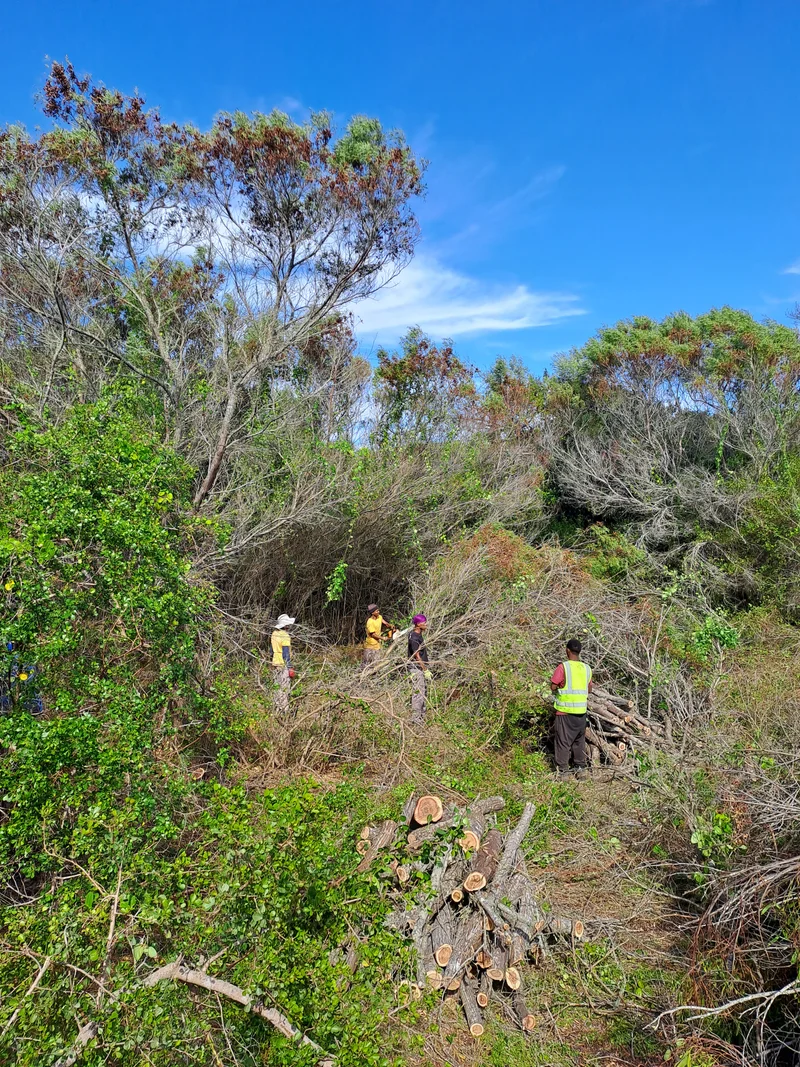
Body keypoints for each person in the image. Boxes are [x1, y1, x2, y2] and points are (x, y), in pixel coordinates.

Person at [550, 638, 593, 780]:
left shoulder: (563, 667)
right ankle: (580, 769)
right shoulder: (586, 668)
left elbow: (553, 686)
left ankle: (563, 772)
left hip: (564, 711)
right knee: (578, 741)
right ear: (579, 652)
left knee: (563, 741)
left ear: (567, 650)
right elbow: (589, 689)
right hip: (581, 712)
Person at [408, 614, 432, 724]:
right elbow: (417, 656)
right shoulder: (414, 637)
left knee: (423, 692)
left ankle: (421, 717)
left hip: (419, 668)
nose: (426, 624)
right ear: (418, 624)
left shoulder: (418, 634)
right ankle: (416, 719)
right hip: (416, 668)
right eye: (424, 623)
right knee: (418, 694)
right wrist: (425, 669)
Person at [271, 613, 296, 716]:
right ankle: (284, 712)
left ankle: (276, 709)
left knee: (276, 687)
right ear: (285, 625)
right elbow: (286, 653)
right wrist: (289, 667)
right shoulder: (285, 636)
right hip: (283, 664)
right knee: (284, 688)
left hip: (275, 663)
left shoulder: (274, 634)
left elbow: (271, 651)